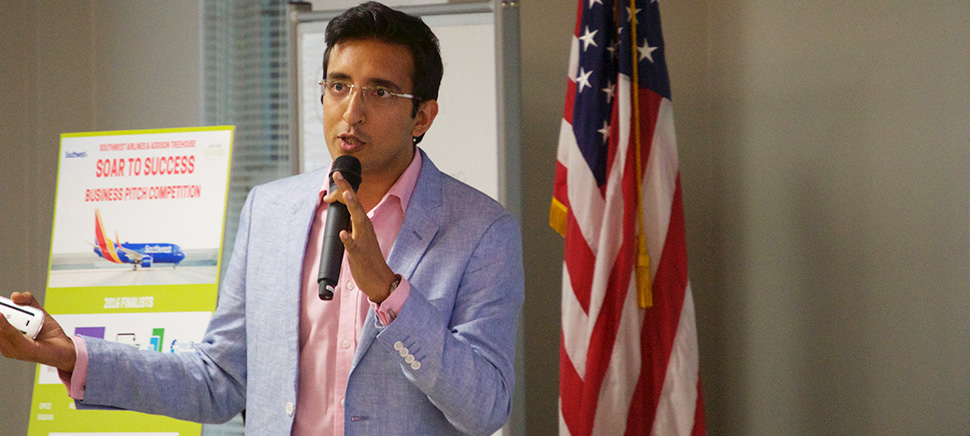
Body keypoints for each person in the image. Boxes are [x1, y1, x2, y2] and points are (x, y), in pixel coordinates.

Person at [0, 3, 524, 435]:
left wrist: (390, 293)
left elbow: (485, 408)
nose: (351, 112)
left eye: (379, 91)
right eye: (338, 86)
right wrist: (74, 356)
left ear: (422, 116)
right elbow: (218, 379)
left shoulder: (481, 230)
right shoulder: (271, 211)